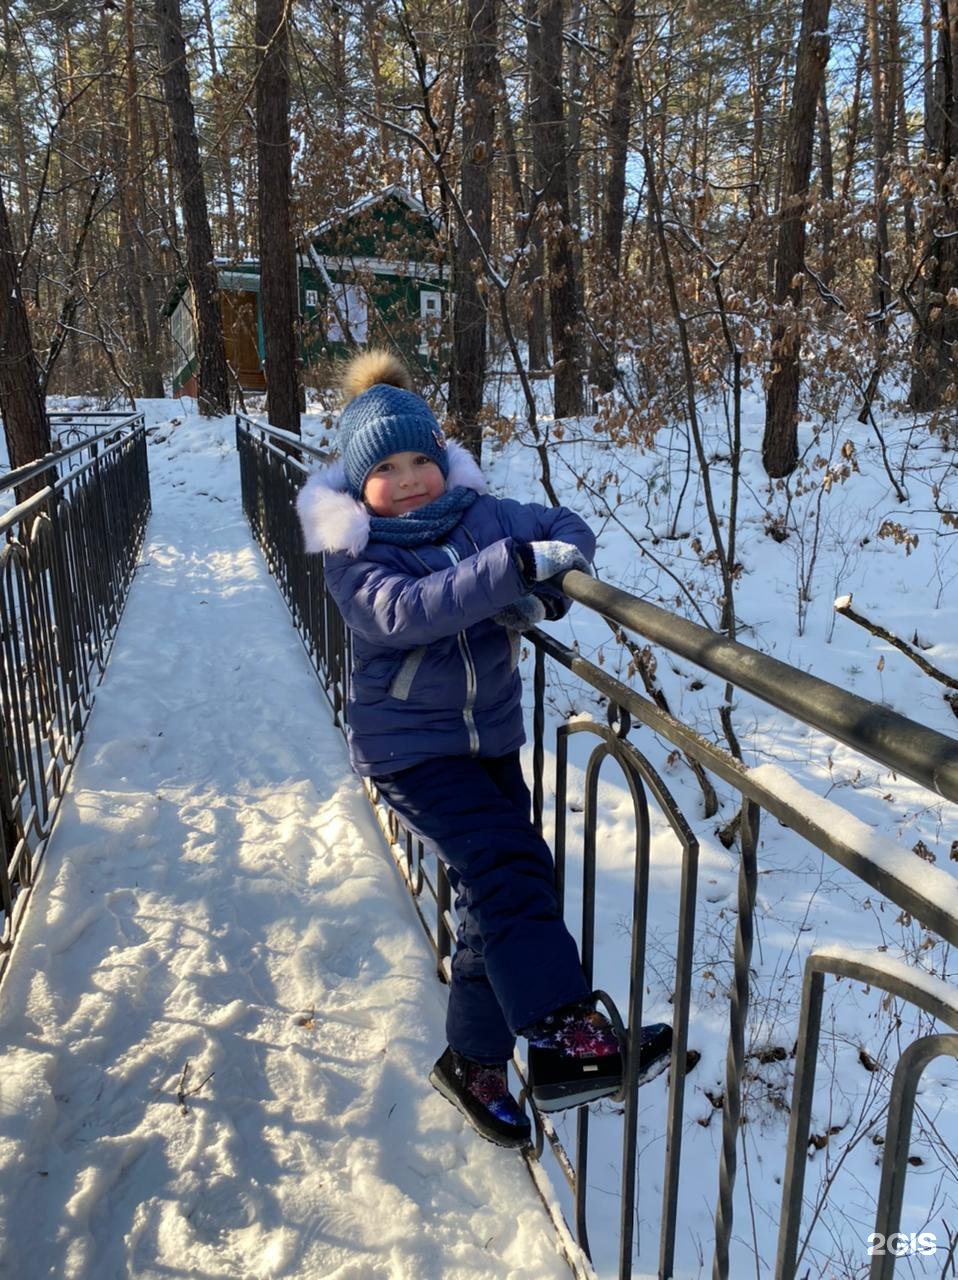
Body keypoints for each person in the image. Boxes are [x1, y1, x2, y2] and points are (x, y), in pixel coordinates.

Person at [297, 349, 671, 1149]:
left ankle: (474, 1063)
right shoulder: (356, 553)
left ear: (443, 461)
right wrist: (511, 572)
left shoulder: (483, 513)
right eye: (386, 468)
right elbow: (406, 613)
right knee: (509, 867)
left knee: (488, 900)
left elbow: (566, 530)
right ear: (358, 485)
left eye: (421, 461)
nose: (408, 480)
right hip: (412, 754)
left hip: (490, 740)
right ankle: (566, 1038)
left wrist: (542, 586)